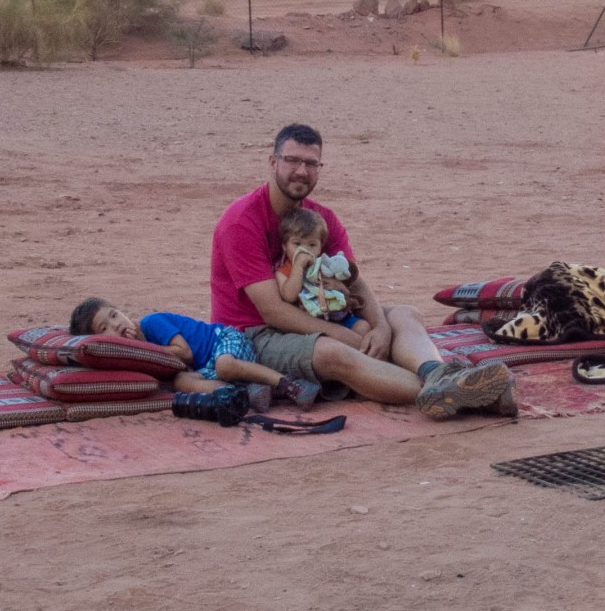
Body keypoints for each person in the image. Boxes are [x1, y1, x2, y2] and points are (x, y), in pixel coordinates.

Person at [211, 122, 513, 418]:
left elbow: (354, 283)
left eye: (311, 163)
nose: (301, 171)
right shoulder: (242, 222)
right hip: (252, 334)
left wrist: (380, 327)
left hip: (318, 311)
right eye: (292, 161)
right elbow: (273, 312)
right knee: (334, 352)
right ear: (273, 162)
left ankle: (436, 373)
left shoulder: (320, 219)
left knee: (404, 315)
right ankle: (465, 395)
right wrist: (344, 336)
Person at [69, 296, 320, 409]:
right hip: (205, 368)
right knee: (182, 382)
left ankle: (287, 384)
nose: (117, 325)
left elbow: (185, 353)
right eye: (106, 328)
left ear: (122, 311)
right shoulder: (129, 355)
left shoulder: (152, 323)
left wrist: (146, 349)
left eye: (114, 315)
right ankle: (242, 395)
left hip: (224, 341)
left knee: (225, 365)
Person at [274, 207, 366, 333]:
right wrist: (298, 268)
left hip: (337, 317)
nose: (305, 250)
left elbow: (346, 291)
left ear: (320, 247)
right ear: (284, 246)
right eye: (297, 244)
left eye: (312, 245)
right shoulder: (284, 271)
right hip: (311, 324)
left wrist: (337, 286)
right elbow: (289, 296)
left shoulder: (324, 265)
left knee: (363, 327)